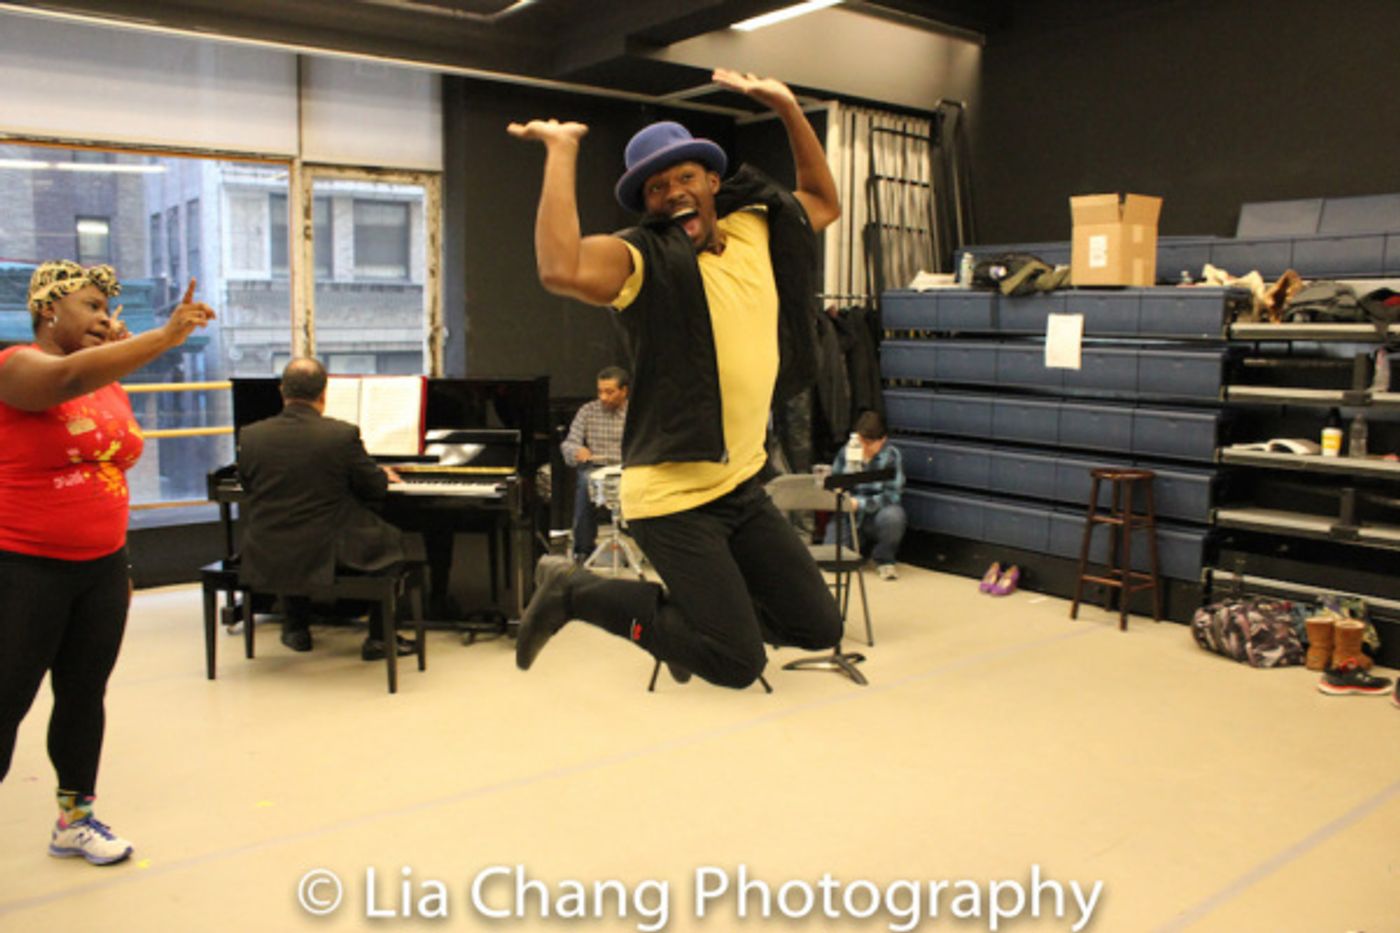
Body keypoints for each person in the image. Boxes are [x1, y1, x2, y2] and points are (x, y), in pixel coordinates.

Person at [506, 68, 844, 688]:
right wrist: (561, 153)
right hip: (671, 500)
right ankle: (574, 589)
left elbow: (823, 202)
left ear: (713, 182)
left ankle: (685, 630)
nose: (672, 192)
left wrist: (791, 109)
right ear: (647, 206)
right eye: (656, 188)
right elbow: (560, 267)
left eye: (685, 176)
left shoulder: (755, 229)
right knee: (738, 663)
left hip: (739, 484)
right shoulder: (643, 260)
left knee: (819, 627)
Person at [0, 262, 213, 865]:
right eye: (90, 306)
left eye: (105, 308)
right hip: (24, 568)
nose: (102, 317)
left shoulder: (105, 381)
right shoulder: (15, 367)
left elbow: (105, 435)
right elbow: (63, 375)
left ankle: (75, 820)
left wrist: (114, 568)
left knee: (83, 695)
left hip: (99, 567)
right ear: (47, 310)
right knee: (7, 699)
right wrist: (165, 337)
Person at [236, 357, 422, 661]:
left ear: (282, 391)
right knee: (390, 543)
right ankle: (378, 638)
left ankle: (296, 628)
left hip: (269, 547)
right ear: (324, 394)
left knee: (294, 534)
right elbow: (374, 488)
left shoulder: (251, 435)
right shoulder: (341, 435)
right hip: (327, 548)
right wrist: (378, 473)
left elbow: (249, 487)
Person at [825, 410, 907, 581]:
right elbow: (833, 486)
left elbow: (892, 496)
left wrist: (860, 504)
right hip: (848, 515)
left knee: (894, 516)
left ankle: (884, 559)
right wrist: (840, 484)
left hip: (876, 514)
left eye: (870, 443)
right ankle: (857, 549)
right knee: (832, 562)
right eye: (862, 441)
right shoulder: (846, 452)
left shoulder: (891, 456)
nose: (865, 447)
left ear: (882, 440)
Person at [561, 366, 629, 563]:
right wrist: (577, 451)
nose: (604, 397)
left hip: (626, 466)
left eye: (610, 392)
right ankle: (583, 549)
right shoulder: (588, 411)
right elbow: (569, 443)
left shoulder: (635, 413)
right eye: (600, 391)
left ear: (624, 391)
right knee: (584, 483)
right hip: (596, 466)